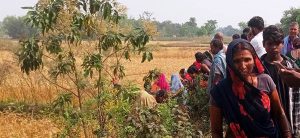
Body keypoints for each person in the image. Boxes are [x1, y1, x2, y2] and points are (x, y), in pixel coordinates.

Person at [210, 39, 292, 137]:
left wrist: (287, 135)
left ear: (254, 59)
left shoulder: (265, 81)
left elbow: (279, 113)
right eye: (236, 61)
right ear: (229, 62)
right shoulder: (220, 91)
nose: (243, 66)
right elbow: (216, 131)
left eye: (247, 59)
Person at [260, 25, 300, 137]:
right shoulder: (258, 70)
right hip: (268, 120)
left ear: (282, 43)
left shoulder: (291, 66)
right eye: (269, 43)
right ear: (264, 44)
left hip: (290, 117)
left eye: (277, 43)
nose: (274, 47)